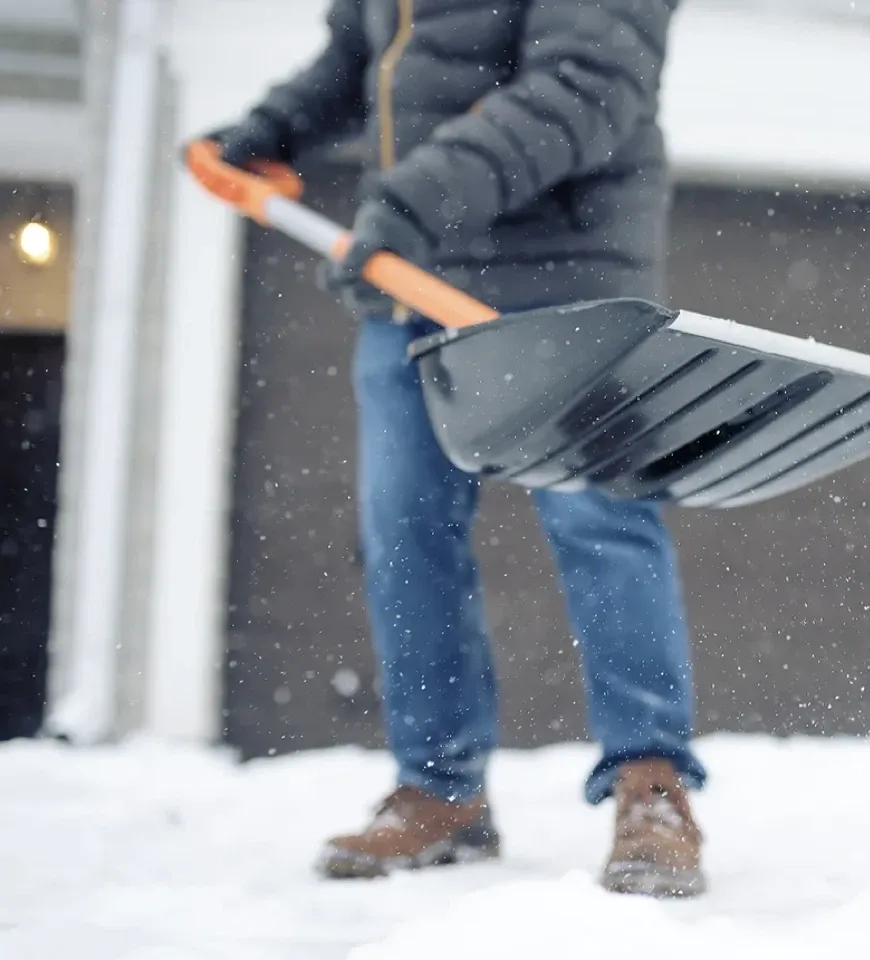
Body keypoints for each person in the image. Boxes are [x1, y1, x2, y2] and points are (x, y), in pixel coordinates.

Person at [202, 0, 707, 898]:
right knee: (406, 535)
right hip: (413, 281)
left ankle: (651, 780)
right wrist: (274, 128)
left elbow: (591, 87)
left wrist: (411, 199)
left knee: (602, 523)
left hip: (566, 274)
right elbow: (366, 59)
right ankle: (442, 789)